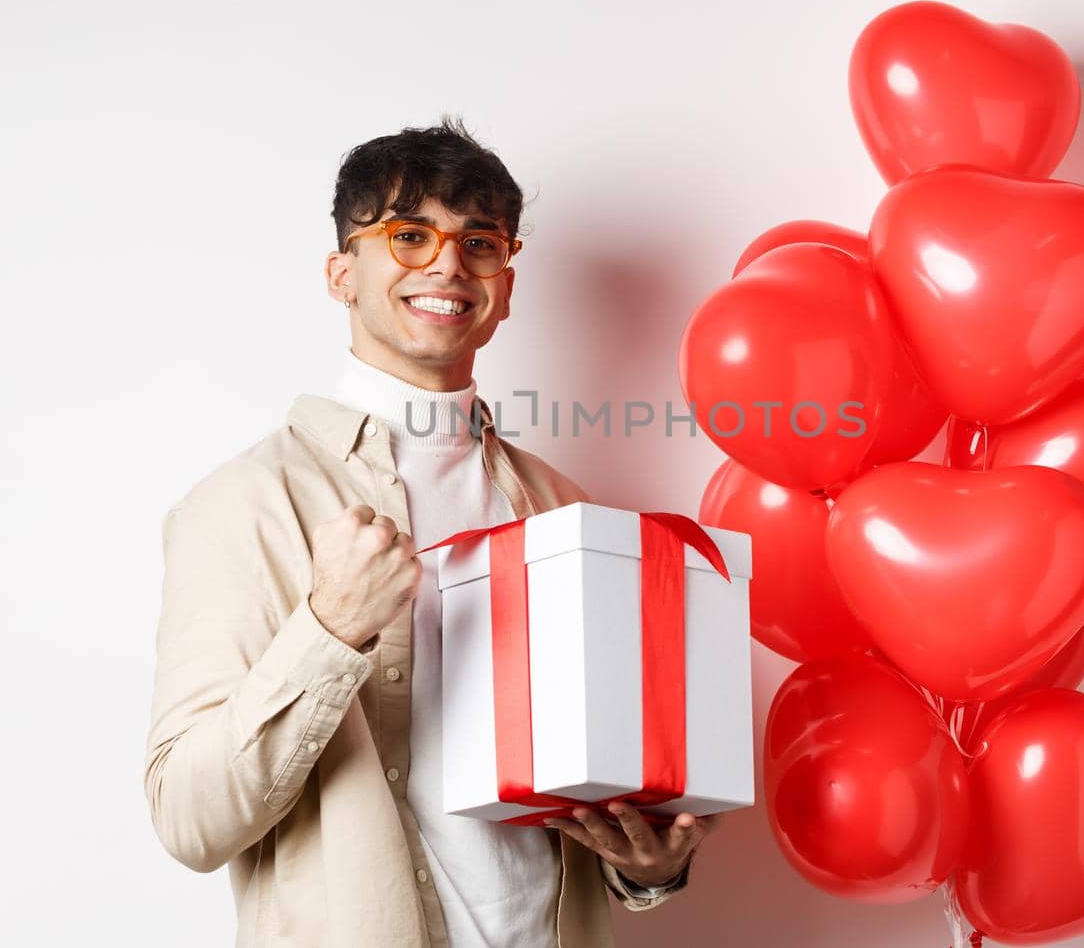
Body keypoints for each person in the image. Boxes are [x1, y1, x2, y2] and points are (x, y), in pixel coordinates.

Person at [144, 117, 717, 947]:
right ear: (342, 272)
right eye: (409, 235)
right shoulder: (243, 504)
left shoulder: (566, 509)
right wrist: (330, 627)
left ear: (507, 285)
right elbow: (188, 819)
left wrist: (647, 869)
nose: (448, 262)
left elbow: (594, 799)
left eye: (479, 240)